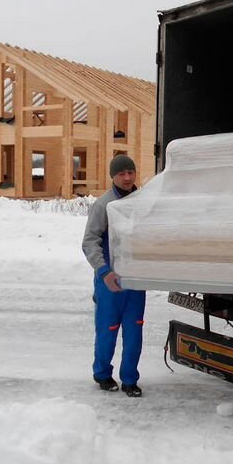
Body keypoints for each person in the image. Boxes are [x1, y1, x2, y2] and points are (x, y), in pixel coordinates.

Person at [82, 155, 146, 397]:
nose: (127, 177)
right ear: (113, 176)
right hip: (110, 281)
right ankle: (102, 375)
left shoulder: (144, 203)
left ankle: (130, 379)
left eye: (131, 172)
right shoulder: (104, 205)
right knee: (107, 331)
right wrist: (103, 271)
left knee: (134, 333)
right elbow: (90, 242)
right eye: (122, 173)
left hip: (136, 282)